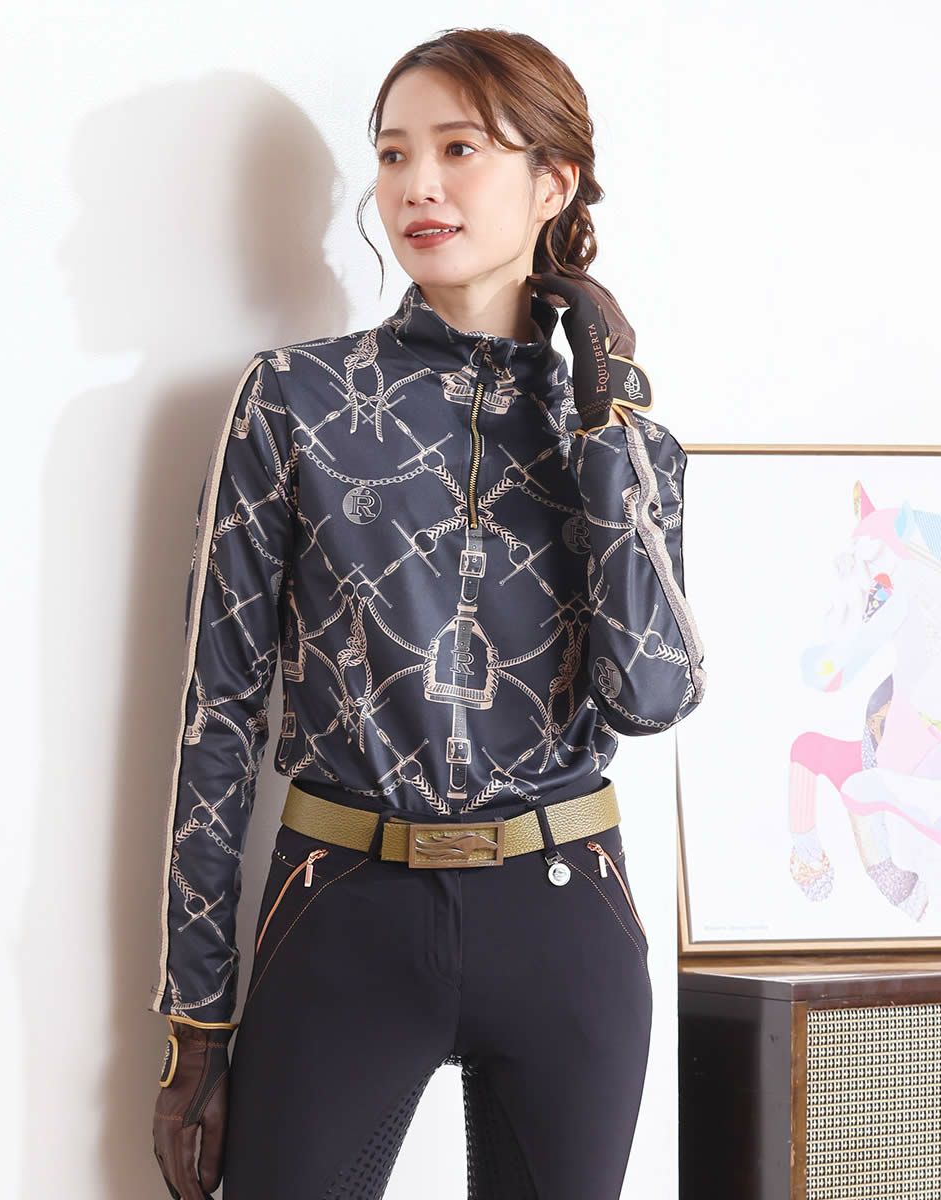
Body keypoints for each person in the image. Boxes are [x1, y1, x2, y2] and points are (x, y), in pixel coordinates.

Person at [150, 26, 707, 1200]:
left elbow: (652, 697)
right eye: (394, 153)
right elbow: (217, 713)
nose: (417, 185)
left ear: (552, 183)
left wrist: (602, 423)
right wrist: (196, 1018)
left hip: (566, 919)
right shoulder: (294, 400)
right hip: (342, 911)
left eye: (459, 149)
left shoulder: (628, 440)